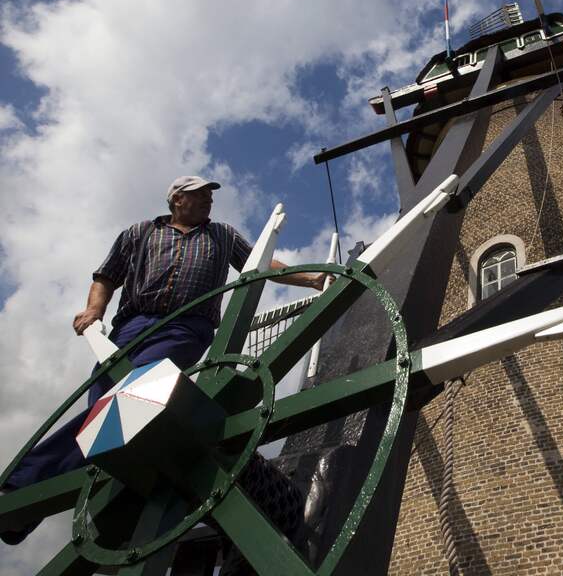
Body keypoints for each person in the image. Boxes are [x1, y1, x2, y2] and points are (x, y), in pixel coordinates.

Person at [2, 175, 324, 544]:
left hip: (185, 328)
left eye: (209, 196)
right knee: (101, 420)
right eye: (199, 195)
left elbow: (262, 263)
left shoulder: (222, 235)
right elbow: (106, 276)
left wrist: (312, 278)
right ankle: (28, 507)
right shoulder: (138, 233)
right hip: (130, 328)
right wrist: (94, 309)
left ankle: (23, 489)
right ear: (177, 201)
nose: (208, 201)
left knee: (121, 409)